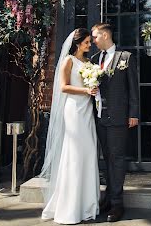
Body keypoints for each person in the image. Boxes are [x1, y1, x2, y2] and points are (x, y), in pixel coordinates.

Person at [40, 28, 100, 224]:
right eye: (87, 42)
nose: (90, 45)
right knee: (74, 154)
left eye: (90, 42)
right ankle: (70, 207)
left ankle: (87, 204)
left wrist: (94, 88)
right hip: (73, 110)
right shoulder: (68, 61)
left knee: (88, 153)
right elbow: (63, 87)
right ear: (77, 43)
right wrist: (86, 90)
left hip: (87, 111)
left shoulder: (88, 63)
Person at [91, 23, 139, 223]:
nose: (93, 41)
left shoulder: (125, 58)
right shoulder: (95, 60)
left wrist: (133, 114)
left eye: (95, 37)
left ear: (104, 35)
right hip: (100, 117)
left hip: (120, 118)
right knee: (108, 158)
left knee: (117, 159)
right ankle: (108, 198)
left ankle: (117, 204)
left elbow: (133, 89)